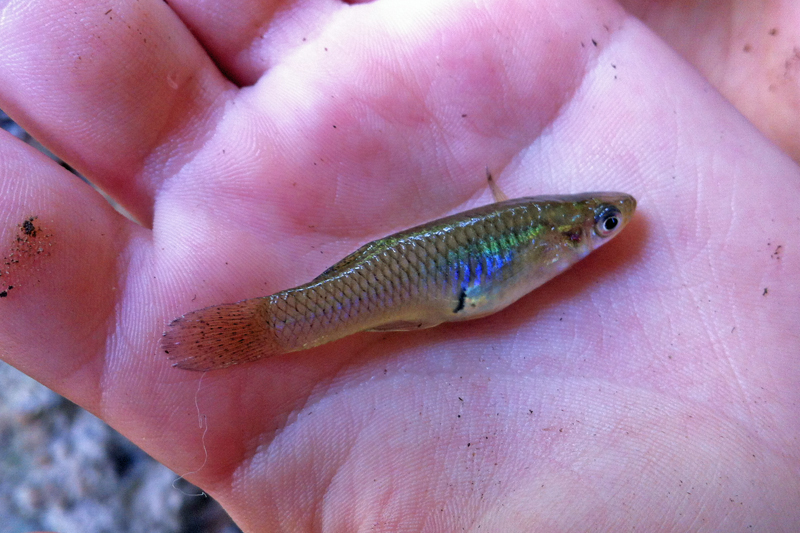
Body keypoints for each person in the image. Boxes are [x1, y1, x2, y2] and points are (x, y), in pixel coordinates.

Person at [0, 1, 798, 530]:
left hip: (440, 289)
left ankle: (277, 325)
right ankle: (269, 327)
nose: (610, 228)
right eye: (602, 222)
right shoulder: (548, 230)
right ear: (568, 229)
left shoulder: (555, 237)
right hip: (432, 286)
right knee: (343, 298)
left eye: (605, 222)